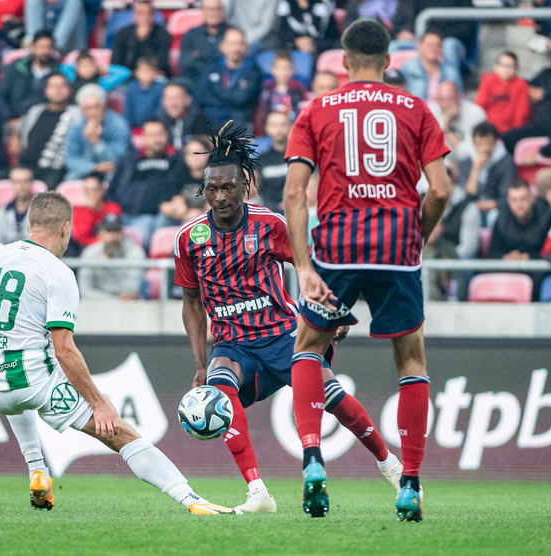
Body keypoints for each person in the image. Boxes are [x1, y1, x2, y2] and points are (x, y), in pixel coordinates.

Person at [0, 191, 240, 515]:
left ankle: (37, 469)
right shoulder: (57, 273)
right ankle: (192, 500)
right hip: (35, 385)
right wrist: (100, 404)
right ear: (65, 228)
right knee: (119, 433)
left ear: (29, 226)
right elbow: (64, 350)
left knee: (16, 379)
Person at [176, 121, 403, 513]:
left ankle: (390, 465)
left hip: (284, 336)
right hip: (233, 345)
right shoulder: (190, 239)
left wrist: (332, 310)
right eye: (212, 188)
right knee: (219, 392)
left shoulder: (270, 225)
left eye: (228, 187)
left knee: (334, 398)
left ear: (245, 185)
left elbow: (308, 267)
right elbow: (192, 303)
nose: (220, 196)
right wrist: (200, 364)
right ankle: (258, 493)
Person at [282, 19, 452, 521]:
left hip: (337, 248)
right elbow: (441, 189)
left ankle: (313, 459)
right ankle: (411, 483)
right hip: (398, 249)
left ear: (343, 60)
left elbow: (294, 193)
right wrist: (416, 236)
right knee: (411, 362)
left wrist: (303, 266)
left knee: (308, 348)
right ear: (389, 60)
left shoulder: (316, 110)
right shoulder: (416, 109)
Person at [107, 118, 175, 245]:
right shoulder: (129, 160)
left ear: (166, 135)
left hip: (155, 217)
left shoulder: (176, 160)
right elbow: (113, 189)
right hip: (124, 215)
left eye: (160, 134)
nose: (157, 139)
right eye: (152, 135)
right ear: (144, 138)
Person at [16, 73, 81, 188]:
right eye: (53, 86)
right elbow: (20, 132)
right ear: (46, 90)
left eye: (62, 86)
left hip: (56, 170)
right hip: (27, 167)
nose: (58, 90)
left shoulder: (76, 114)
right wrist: (15, 136)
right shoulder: (36, 111)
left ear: (69, 89)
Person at [194, 27, 262, 133]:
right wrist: (230, 96)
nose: (236, 48)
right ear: (223, 46)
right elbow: (200, 95)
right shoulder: (211, 67)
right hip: (210, 120)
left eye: (240, 44)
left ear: (246, 46)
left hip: (237, 122)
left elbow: (242, 99)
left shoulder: (254, 71)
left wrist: (216, 92)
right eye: (232, 44)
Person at [64, 83, 130, 180]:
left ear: (104, 107)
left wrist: (97, 142)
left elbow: (119, 159)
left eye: (97, 107)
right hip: (84, 171)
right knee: (69, 180)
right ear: (82, 110)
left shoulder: (119, 125)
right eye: (88, 108)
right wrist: (94, 167)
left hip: (112, 172)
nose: (93, 112)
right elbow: (70, 160)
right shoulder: (77, 127)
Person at [457, 122, 516, 226]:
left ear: (496, 142)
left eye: (489, 143)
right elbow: (467, 194)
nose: (485, 148)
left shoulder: (506, 161)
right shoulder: (466, 161)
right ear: (474, 143)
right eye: (480, 144)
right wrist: (475, 169)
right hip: (472, 209)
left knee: (494, 216)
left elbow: (505, 198)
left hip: (496, 209)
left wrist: (479, 206)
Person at [0, 29, 60, 122]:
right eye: (41, 47)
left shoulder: (58, 73)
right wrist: (9, 118)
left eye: (49, 47)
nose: (45, 51)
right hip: (11, 119)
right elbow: (0, 95)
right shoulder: (16, 67)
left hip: (42, 122)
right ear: (33, 47)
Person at [78, 213, 145, 299]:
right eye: (109, 231)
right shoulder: (90, 253)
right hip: (98, 304)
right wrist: (114, 300)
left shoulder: (135, 252)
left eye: (116, 231)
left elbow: (131, 291)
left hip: (127, 305)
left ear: (122, 233)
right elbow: (85, 290)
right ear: (101, 233)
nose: (113, 236)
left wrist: (110, 266)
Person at [488, 180, 551, 262]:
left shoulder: (547, 217)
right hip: (508, 267)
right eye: (514, 200)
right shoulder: (501, 220)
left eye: (523, 199)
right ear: (508, 201)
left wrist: (530, 257)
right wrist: (506, 257)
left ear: (532, 198)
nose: (519, 204)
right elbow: (493, 252)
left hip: (541, 267)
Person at [428, 80, 486, 163]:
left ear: (459, 97)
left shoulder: (476, 114)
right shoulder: (430, 112)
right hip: (443, 163)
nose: (445, 104)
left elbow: (467, 154)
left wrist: (449, 127)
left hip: (471, 163)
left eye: (450, 99)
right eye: (441, 99)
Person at [473, 51, 529, 134]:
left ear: (516, 70)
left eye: (509, 66)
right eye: (502, 65)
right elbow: (480, 105)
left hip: (510, 131)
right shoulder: (488, 80)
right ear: (496, 67)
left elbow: (521, 113)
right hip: (488, 129)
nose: (505, 69)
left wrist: (515, 132)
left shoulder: (521, 84)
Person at [111, 1, 171, 75]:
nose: (146, 17)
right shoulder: (122, 34)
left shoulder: (163, 34)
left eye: (150, 13)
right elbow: (116, 62)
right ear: (135, 16)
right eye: (142, 13)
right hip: (127, 75)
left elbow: (162, 64)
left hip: (153, 75)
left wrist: (145, 39)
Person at [161, 137, 211, 225]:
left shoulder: (217, 174)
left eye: (198, 152)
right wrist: (176, 206)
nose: (194, 157)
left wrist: (197, 215)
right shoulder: (178, 173)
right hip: (182, 217)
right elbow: (166, 204)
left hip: (208, 218)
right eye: (190, 153)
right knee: (162, 219)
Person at [401, 31, 463, 102]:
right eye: (429, 45)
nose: (433, 49)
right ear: (419, 46)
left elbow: (460, 98)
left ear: (442, 48)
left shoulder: (451, 72)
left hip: (442, 108)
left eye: (437, 45)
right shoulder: (409, 68)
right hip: (416, 107)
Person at [179, 0, 229, 84]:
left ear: (223, 11)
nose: (213, 13)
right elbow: (185, 62)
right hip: (196, 81)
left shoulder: (232, 34)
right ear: (202, 11)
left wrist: (200, 55)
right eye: (209, 9)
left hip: (226, 82)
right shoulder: (191, 34)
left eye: (217, 9)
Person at [256, 50, 308, 131]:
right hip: (271, 130)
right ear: (273, 70)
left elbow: (304, 112)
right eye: (280, 68)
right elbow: (260, 114)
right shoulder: (266, 90)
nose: (284, 72)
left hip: (292, 130)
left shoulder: (299, 90)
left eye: (287, 68)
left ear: (293, 70)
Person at [70, 172, 121, 249]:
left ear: (102, 189)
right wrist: (90, 211)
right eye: (87, 191)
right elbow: (82, 240)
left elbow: (114, 234)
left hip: (111, 248)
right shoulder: (78, 211)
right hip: (86, 250)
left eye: (95, 190)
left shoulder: (113, 208)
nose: (91, 194)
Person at [0, 166, 36, 246]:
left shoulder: (43, 210)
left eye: (26, 181)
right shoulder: (3, 210)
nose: (22, 186)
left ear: (32, 183)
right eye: (17, 182)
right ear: (11, 184)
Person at [255, 111, 291, 212]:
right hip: (269, 212)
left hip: (297, 208)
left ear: (290, 127)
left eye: (283, 125)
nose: (279, 129)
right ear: (267, 128)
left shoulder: (298, 157)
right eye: (274, 125)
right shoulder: (260, 160)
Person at [275, 0, 341, 55]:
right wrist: (295, 41)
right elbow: (280, 33)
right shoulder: (284, 3)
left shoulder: (324, 4)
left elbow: (328, 34)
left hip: (318, 47)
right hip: (291, 48)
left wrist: (306, 9)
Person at [24, 0, 90, 54]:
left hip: (72, 55)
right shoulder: (34, 2)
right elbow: (33, 36)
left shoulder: (73, 3)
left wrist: (46, 49)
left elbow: (59, 41)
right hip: (44, 55)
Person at [124, 56, 166, 129]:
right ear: (137, 72)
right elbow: (128, 110)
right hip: (134, 126)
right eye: (144, 71)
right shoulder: (131, 87)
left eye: (151, 71)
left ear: (156, 73)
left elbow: (160, 110)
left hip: (153, 126)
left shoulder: (160, 88)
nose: (147, 74)